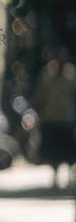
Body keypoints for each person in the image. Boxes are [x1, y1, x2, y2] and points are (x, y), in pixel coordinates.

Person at [33, 49, 76, 188]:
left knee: (69, 151)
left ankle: (70, 177)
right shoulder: (47, 73)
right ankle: (55, 177)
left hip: (67, 119)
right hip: (51, 117)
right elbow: (41, 95)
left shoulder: (71, 74)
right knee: (53, 151)